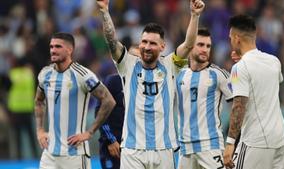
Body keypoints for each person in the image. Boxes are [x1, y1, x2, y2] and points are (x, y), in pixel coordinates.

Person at [96, 0, 205, 168]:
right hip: (133, 150)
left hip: (164, 149)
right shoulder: (128, 65)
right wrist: (104, 12)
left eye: (152, 43)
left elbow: (189, 44)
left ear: (163, 46)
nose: (146, 47)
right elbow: (112, 41)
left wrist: (195, 15)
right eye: (144, 42)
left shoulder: (171, 65)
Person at [34, 32, 116, 169]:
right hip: (49, 154)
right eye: (51, 46)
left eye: (58, 47)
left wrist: (89, 132)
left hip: (74, 154)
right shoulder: (45, 74)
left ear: (69, 50)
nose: (53, 50)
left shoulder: (82, 75)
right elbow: (38, 101)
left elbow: (108, 100)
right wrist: (40, 130)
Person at [223, 14, 284, 169]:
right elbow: (267, 81)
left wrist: (230, 143)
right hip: (281, 139)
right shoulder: (274, 61)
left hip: (256, 142)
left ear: (237, 38)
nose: (230, 41)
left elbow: (238, 106)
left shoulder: (240, 68)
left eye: (231, 38)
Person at [176, 28, 233, 169]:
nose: (205, 49)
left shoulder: (219, 74)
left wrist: (232, 138)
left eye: (208, 46)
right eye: (200, 45)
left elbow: (240, 103)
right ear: (190, 46)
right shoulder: (179, 75)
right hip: (185, 148)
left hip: (211, 145)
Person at [97, 73, 125, 169]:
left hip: (133, 146)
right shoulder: (113, 81)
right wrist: (110, 140)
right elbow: (100, 111)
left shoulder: (140, 81)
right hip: (113, 146)